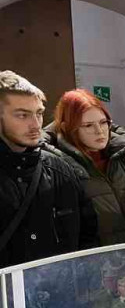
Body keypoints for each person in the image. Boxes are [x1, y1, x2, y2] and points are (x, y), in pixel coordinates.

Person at [0, 71, 95, 268]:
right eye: (22, 115)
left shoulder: (61, 169)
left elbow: (88, 237)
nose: (35, 125)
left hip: (59, 285)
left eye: (39, 113)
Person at [44, 89, 125, 245]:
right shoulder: (58, 168)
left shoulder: (122, 156)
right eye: (88, 125)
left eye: (103, 122)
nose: (99, 131)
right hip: (95, 258)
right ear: (67, 128)